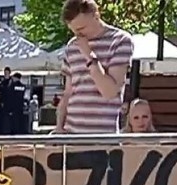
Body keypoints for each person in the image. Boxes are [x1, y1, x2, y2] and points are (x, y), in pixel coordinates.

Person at [55, 0, 134, 134]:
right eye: (74, 31)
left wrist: (89, 56)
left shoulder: (120, 40)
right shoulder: (72, 46)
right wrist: (59, 128)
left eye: (81, 29)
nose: (78, 35)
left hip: (102, 136)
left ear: (95, 16)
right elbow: (68, 92)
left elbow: (109, 92)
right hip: (71, 135)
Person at [0, 67, 13, 134]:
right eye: (5, 73)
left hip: (9, 103)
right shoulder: (2, 82)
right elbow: (0, 90)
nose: (6, 74)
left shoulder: (11, 82)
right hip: (2, 103)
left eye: (7, 73)